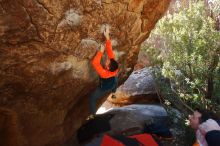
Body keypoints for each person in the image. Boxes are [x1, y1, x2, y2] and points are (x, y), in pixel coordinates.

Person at [88, 26, 119, 117]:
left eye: (107, 62)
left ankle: (93, 116)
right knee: (115, 80)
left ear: (108, 68)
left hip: (104, 87)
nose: (107, 60)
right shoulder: (114, 66)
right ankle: (113, 92)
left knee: (92, 99)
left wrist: (101, 52)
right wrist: (107, 37)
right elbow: (109, 51)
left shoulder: (104, 73)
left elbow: (95, 63)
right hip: (113, 81)